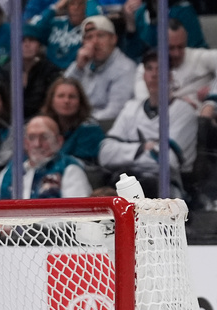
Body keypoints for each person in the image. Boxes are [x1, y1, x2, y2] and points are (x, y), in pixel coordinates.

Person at [102, 50, 197, 199]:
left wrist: (125, 151)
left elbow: (168, 159)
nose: (154, 74)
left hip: (167, 187)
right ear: (144, 75)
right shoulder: (130, 108)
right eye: (149, 68)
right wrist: (143, 147)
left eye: (160, 69)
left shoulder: (184, 111)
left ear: (170, 76)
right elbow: (105, 153)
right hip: (127, 180)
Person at [0, 115, 91, 199]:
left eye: (44, 137)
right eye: (32, 137)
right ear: (25, 143)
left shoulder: (69, 169)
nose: (37, 144)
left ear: (59, 141)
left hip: (47, 229)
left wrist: (24, 224)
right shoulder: (12, 170)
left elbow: (78, 217)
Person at [63, 15, 136, 123]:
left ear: (113, 39)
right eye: (89, 37)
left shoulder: (125, 68)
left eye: (101, 36)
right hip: (79, 123)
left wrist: (81, 122)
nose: (95, 42)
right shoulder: (84, 63)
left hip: (105, 128)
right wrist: (78, 67)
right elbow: (61, 91)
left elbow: (114, 113)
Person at [133, 19, 217, 111]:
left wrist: (211, 97)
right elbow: (143, 104)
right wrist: (177, 103)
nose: (176, 53)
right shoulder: (146, 69)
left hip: (203, 118)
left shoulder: (199, 57)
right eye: (171, 48)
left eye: (181, 47)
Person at [40, 76, 105, 165]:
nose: (66, 101)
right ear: (51, 101)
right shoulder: (42, 126)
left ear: (80, 102)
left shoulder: (90, 129)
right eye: (61, 96)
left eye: (72, 97)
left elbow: (84, 165)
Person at [121, 0, 206, 62]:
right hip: (150, 71)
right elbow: (132, 56)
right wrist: (131, 26)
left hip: (184, 69)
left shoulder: (183, 11)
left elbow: (195, 50)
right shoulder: (140, 13)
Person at [27, 0, 101, 70]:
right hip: (49, 73)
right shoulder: (56, 23)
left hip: (76, 73)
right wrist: (56, 7)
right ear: (66, 7)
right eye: (72, 4)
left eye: (80, 4)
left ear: (85, 7)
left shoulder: (88, 29)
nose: (76, 8)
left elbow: (97, 18)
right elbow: (35, 29)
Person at [20, 23, 62, 120]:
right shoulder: (5, 69)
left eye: (31, 40)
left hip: (42, 121)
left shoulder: (50, 71)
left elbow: (52, 103)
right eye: (22, 41)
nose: (27, 44)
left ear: (39, 45)